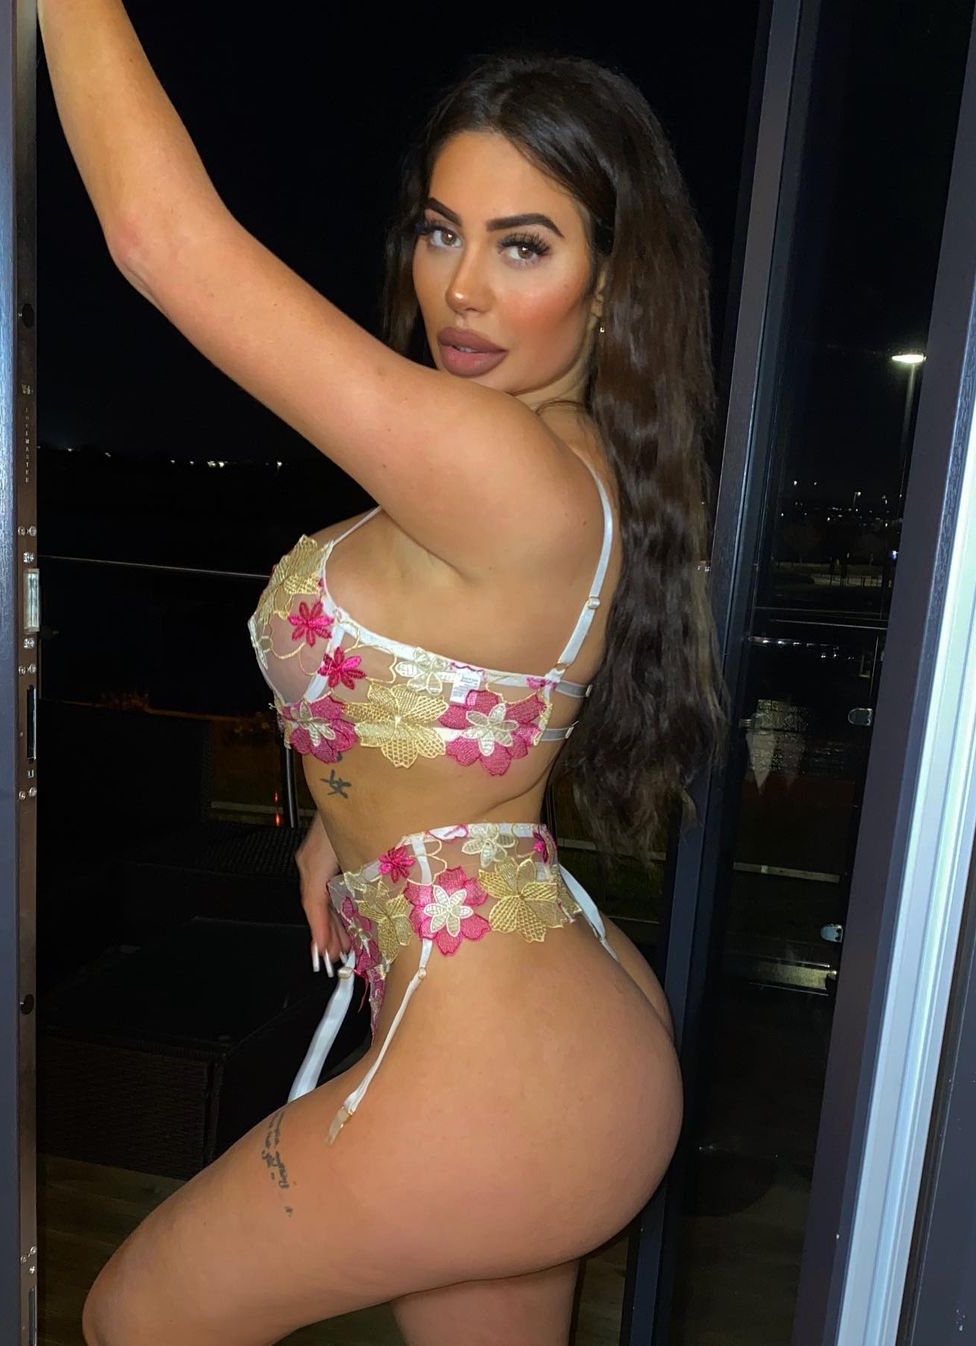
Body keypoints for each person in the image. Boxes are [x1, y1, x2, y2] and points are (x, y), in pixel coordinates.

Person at [38, 6, 727, 1343]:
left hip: (493, 1080)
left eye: (523, 245)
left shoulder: (499, 465)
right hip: (564, 1036)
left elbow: (163, 240)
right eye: (439, 228)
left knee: (135, 1319)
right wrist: (346, 827)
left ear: (611, 279)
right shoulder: (570, 459)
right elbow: (459, 699)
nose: (460, 289)